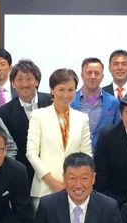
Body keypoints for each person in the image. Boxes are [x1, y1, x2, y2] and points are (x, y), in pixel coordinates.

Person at [26, 69, 92, 208]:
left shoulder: (82, 118)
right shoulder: (38, 116)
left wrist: (76, 180)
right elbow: (31, 153)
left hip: (75, 189)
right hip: (45, 188)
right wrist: (51, 181)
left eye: (70, 90)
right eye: (61, 89)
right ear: (52, 90)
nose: (66, 95)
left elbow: (86, 154)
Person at [31, 153, 124, 223]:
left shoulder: (108, 207)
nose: (78, 185)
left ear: (93, 178)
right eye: (72, 178)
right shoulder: (48, 205)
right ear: (64, 178)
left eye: (84, 178)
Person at [0, 59, 53, 183]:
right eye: (19, 79)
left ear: (37, 81)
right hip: (23, 172)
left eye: (29, 79)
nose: (24, 84)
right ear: (12, 83)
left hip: (51, 168)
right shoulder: (4, 112)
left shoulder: (52, 102)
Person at [70, 58, 120, 149]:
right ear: (82, 75)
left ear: (102, 76)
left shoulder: (113, 102)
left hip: (104, 156)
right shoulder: (70, 101)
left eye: (97, 73)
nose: (93, 76)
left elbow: (118, 133)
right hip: (77, 156)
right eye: (89, 73)